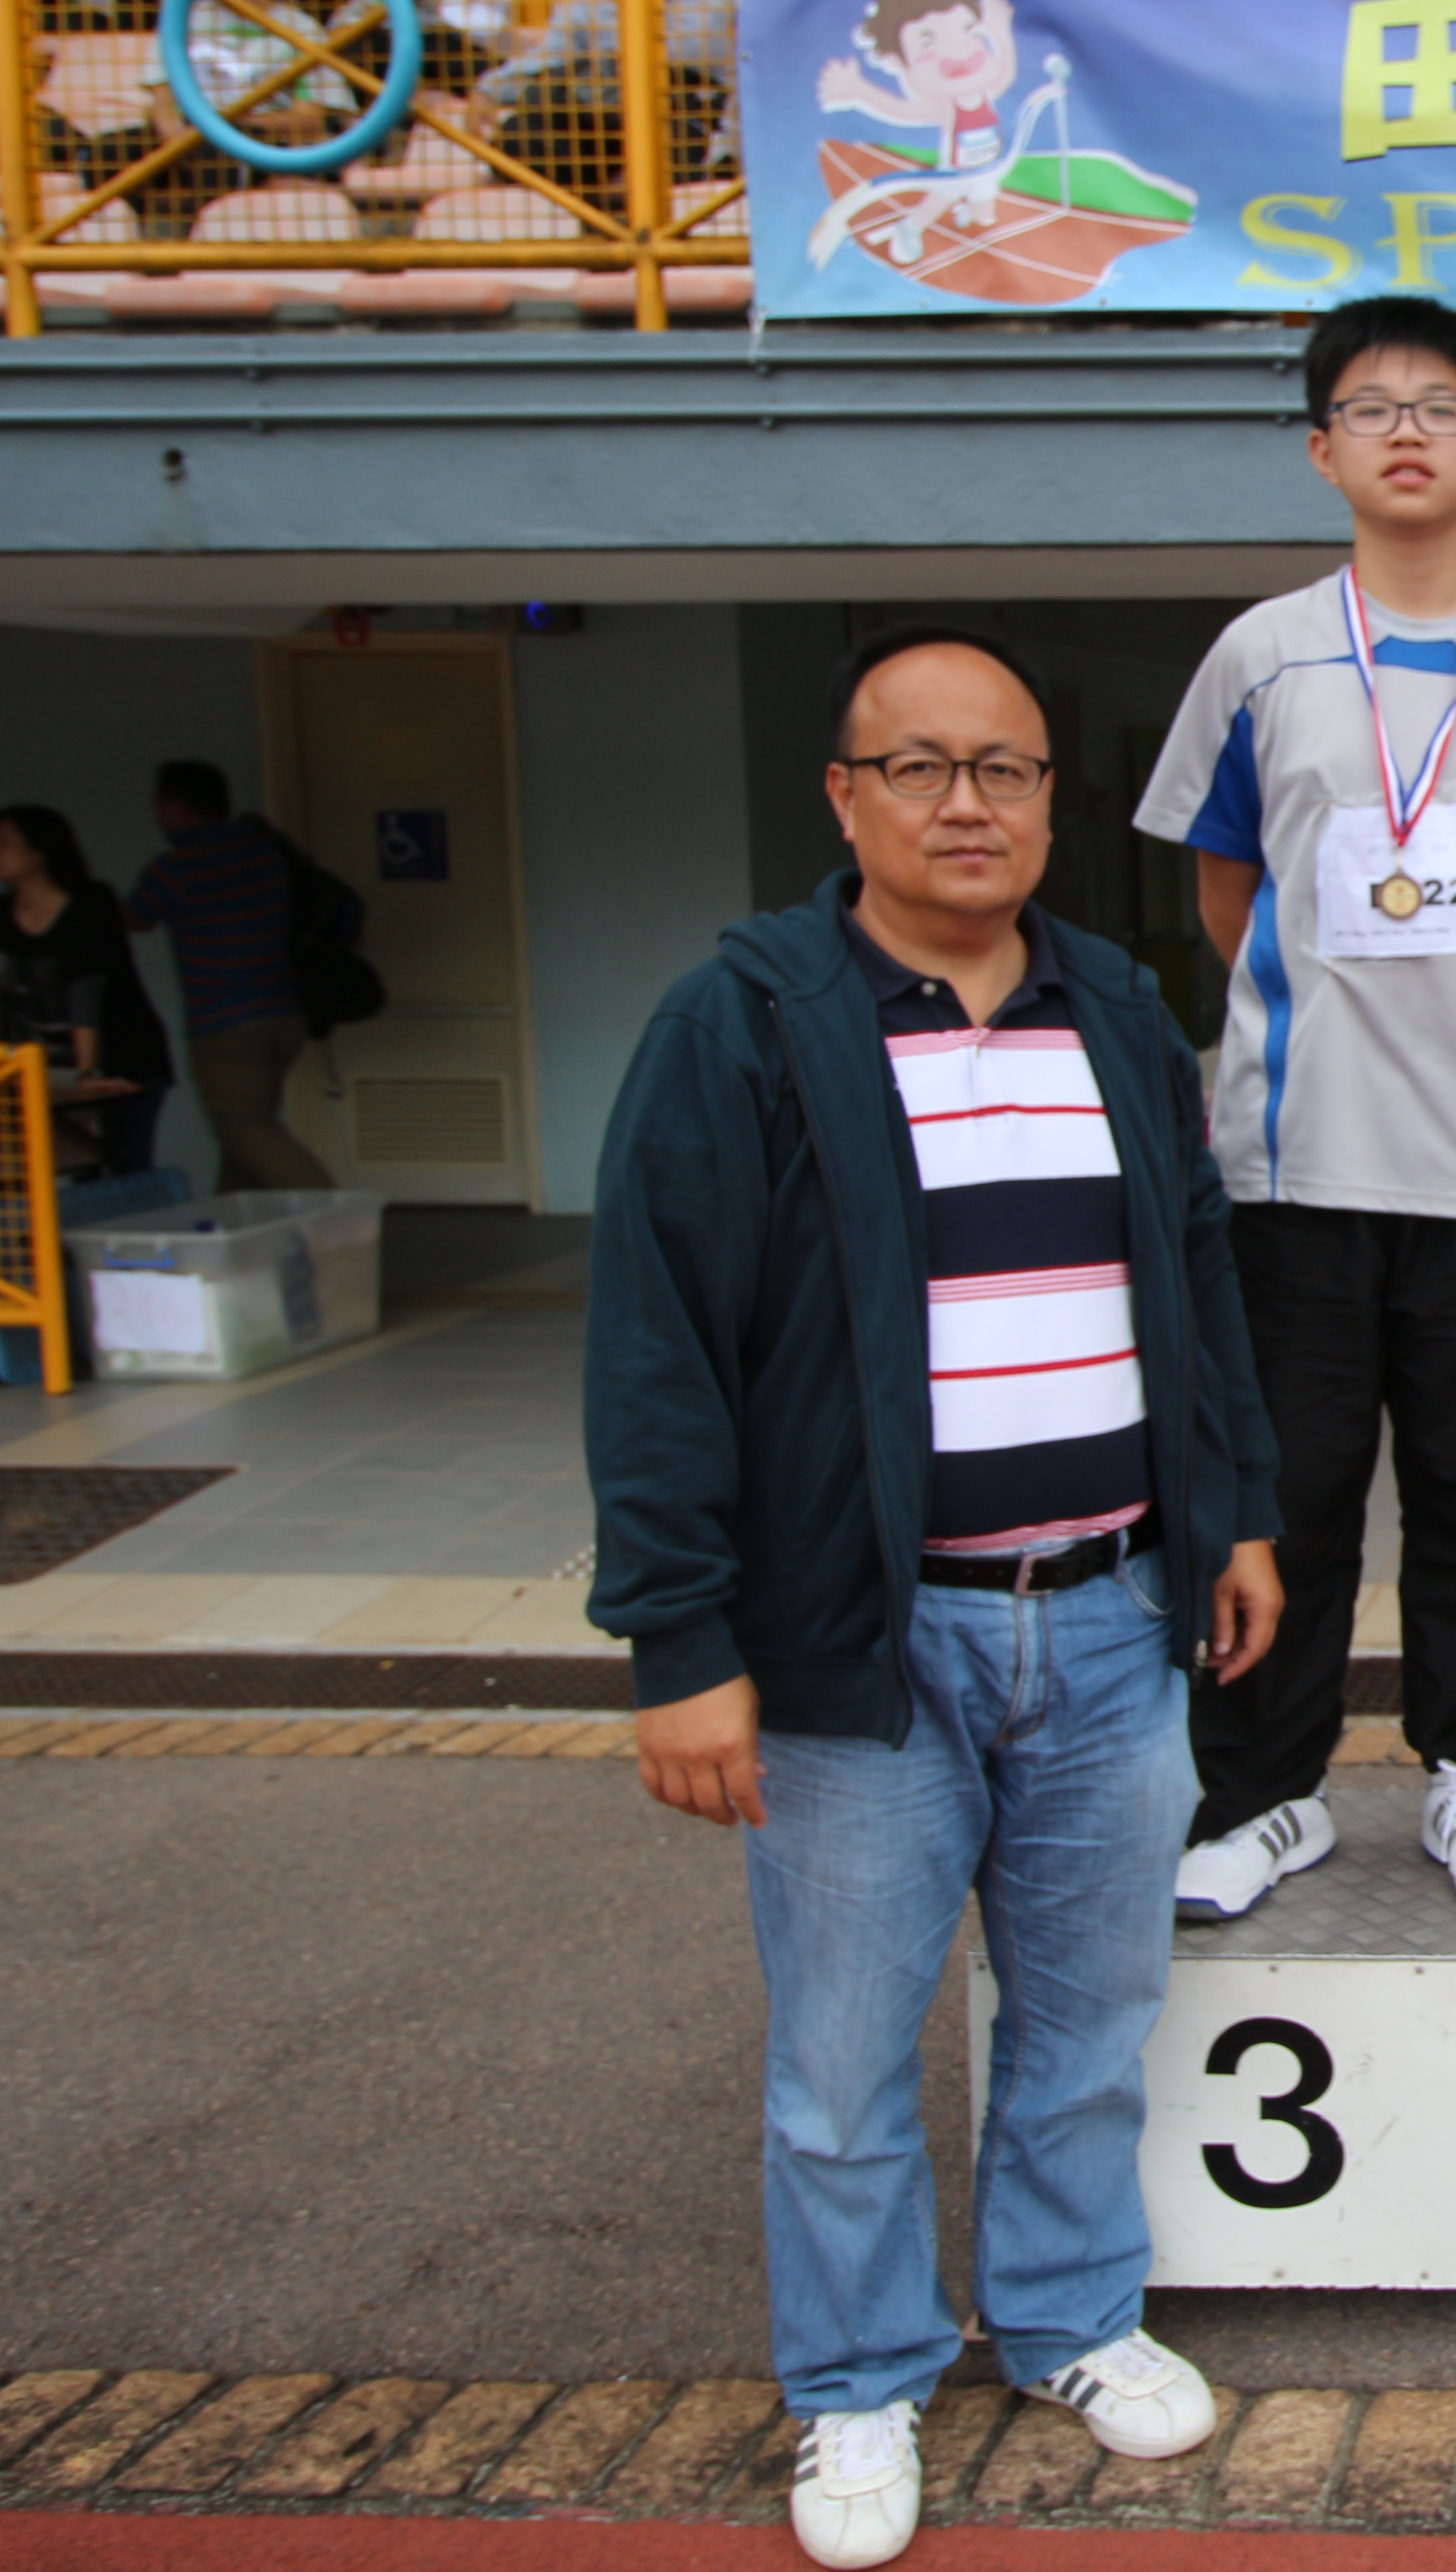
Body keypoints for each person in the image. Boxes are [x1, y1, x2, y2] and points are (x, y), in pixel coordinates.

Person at [589, 625, 1283, 2572]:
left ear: (1052, 798)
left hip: (1113, 1618)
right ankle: (859, 2375)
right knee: (841, 2060)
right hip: (860, 1641)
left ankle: (1067, 2314)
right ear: (846, 796)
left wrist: (1233, 1509)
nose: (966, 803)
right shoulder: (743, 1023)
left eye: (1006, 768)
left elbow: (1196, 1277)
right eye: (920, 766)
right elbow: (654, 1347)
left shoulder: (1116, 1005)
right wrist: (680, 1641)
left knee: (1086, 2021)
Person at [1133, 297, 1456, 1925]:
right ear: (1319, 449)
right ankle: (1262, 1795)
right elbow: (1226, 890)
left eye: (1439, 405)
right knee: (1288, 1500)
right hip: (1292, 1168)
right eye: (1368, 406)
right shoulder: (1257, 656)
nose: (1405, 429)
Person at [125, 760, 334, 1193]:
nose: (157, 816)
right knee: (243, 1138)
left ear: (179, 806)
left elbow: (136, 918)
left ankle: (337, 1216)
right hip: (284, 1015)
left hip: (225, 1024)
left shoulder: (176, 869)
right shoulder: (265, 851)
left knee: (246, 1131)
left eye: (159, 805)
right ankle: (233, 1227)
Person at [0, 803, 174, 1179]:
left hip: (121, 1059)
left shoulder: (89, 904)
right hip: (40, 1069)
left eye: (6, 843)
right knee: (58, 1170)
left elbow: (87, 997)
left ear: (40, 851)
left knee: (123, 1170)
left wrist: (84, 1075)